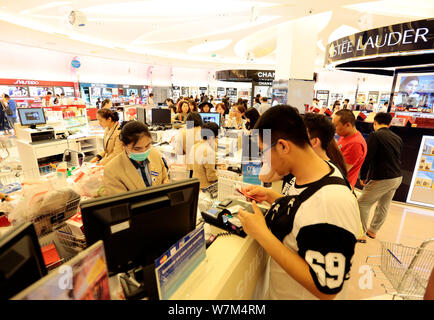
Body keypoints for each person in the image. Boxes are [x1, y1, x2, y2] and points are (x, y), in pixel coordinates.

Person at [237, 105, 360, 300]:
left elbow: (327, 287)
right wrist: (270, 196)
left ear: (283, 146)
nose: (263, 159)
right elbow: (304, 210)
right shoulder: (310, 173)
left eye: (263, 151)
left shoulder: (332, 201)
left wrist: (261, 233)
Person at [357, 112, 403, 242]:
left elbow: (368, 156)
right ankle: (372, 231)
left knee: (363, 203)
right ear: (389, 124)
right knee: (383, 205)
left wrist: (363, 175)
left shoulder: (375, 135)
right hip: (397, 177)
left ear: (375, 123)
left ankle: (360, 233)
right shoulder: (397, 137)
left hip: (383, 177)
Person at [103, 121, 169, 196]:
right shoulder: (112, 170)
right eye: (137, 148)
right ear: (123, 145)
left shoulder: (155, 155)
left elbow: (165, 181)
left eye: (147, 146)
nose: (144, 151)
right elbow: (120, 203)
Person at [332, 109, 367, 188]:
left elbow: (342, 170)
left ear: (348, 125)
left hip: (341, 186)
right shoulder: (344, 135)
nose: (334, 129)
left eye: (336, 126)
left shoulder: (355, 144)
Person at [193, 122, 219, 188]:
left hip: (196, 183)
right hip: (206, 187)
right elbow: (211, 177)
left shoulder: (196, 146)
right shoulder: (209, 151)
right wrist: (222, 175)